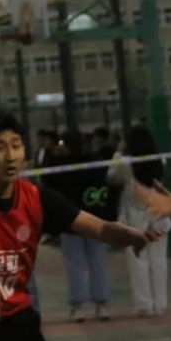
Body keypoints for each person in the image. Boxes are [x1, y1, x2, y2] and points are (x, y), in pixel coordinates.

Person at [0, 112, 160, 341]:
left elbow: (98, 227)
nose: (10, 156)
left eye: (16, 146)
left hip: (19, 317)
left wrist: (132, 235)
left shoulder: (36, 198)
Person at [108, 125, 171, 317]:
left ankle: (144, 305)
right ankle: (160, 304)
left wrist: (118, 152)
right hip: (158, 216)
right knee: (159, 261)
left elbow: (111, 176)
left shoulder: (125, 163)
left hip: (134, 218)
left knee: (138, 261)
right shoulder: (161, 159)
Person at [54, 131, 116, 322]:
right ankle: (101, 305)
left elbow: (51, 185)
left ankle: (78, 306)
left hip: (71, 221)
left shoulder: (62, 166)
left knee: (75, 264)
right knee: (97, 262)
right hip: (95, 220)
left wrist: (55, 156)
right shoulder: (96, 162)